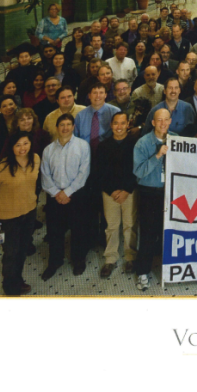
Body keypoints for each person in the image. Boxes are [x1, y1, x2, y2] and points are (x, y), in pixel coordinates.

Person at [0, 130, 40, 295]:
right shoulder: (1, 169)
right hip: (6, 220)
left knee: (22, 250)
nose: (22, 148)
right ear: (11, 147)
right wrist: (1, 208)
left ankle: (18, 279)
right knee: (10, 254)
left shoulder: (35, 159)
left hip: (29, 214)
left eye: (26, 143)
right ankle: (10, 286)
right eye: (18, 145)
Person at [39, 113, 92, 280]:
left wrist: (67, 192)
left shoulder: (83, 146)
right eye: (62, 125)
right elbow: (45, 175)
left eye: (69, 124)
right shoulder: (48, 150)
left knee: (78, 229)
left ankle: (78, 260)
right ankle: (55, 261)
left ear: (73, 127)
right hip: (54, 196)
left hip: (76, 194)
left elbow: (84, 173)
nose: (65, 128)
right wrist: (57, 193)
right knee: (54, 231)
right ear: (57, 128)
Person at [133, 108, 176, 290]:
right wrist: (157, 155)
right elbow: (139, 171)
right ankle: (143, 272)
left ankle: (170, 269)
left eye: (166, 120)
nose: (163, 123)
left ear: (170, 121)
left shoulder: (176, 139)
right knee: (148, 234)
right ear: (153, 122)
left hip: (170, 193)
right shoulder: (142, 143)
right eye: (159, 120)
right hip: (149, 192)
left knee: (168, 232)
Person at [95, 111, 138, 278]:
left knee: (130, 224)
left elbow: (137, 170)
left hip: (129, 192)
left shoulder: (135, 144)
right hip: (110, 193)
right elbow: (99, 172)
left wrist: (126, 190)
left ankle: (130, 257)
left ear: (128, 125)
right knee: (112, 226)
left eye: (122, 123)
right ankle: (110, 258)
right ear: (111, 125)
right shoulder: (103, 146)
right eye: (116, 123)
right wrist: (112, 191)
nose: (119, 127)